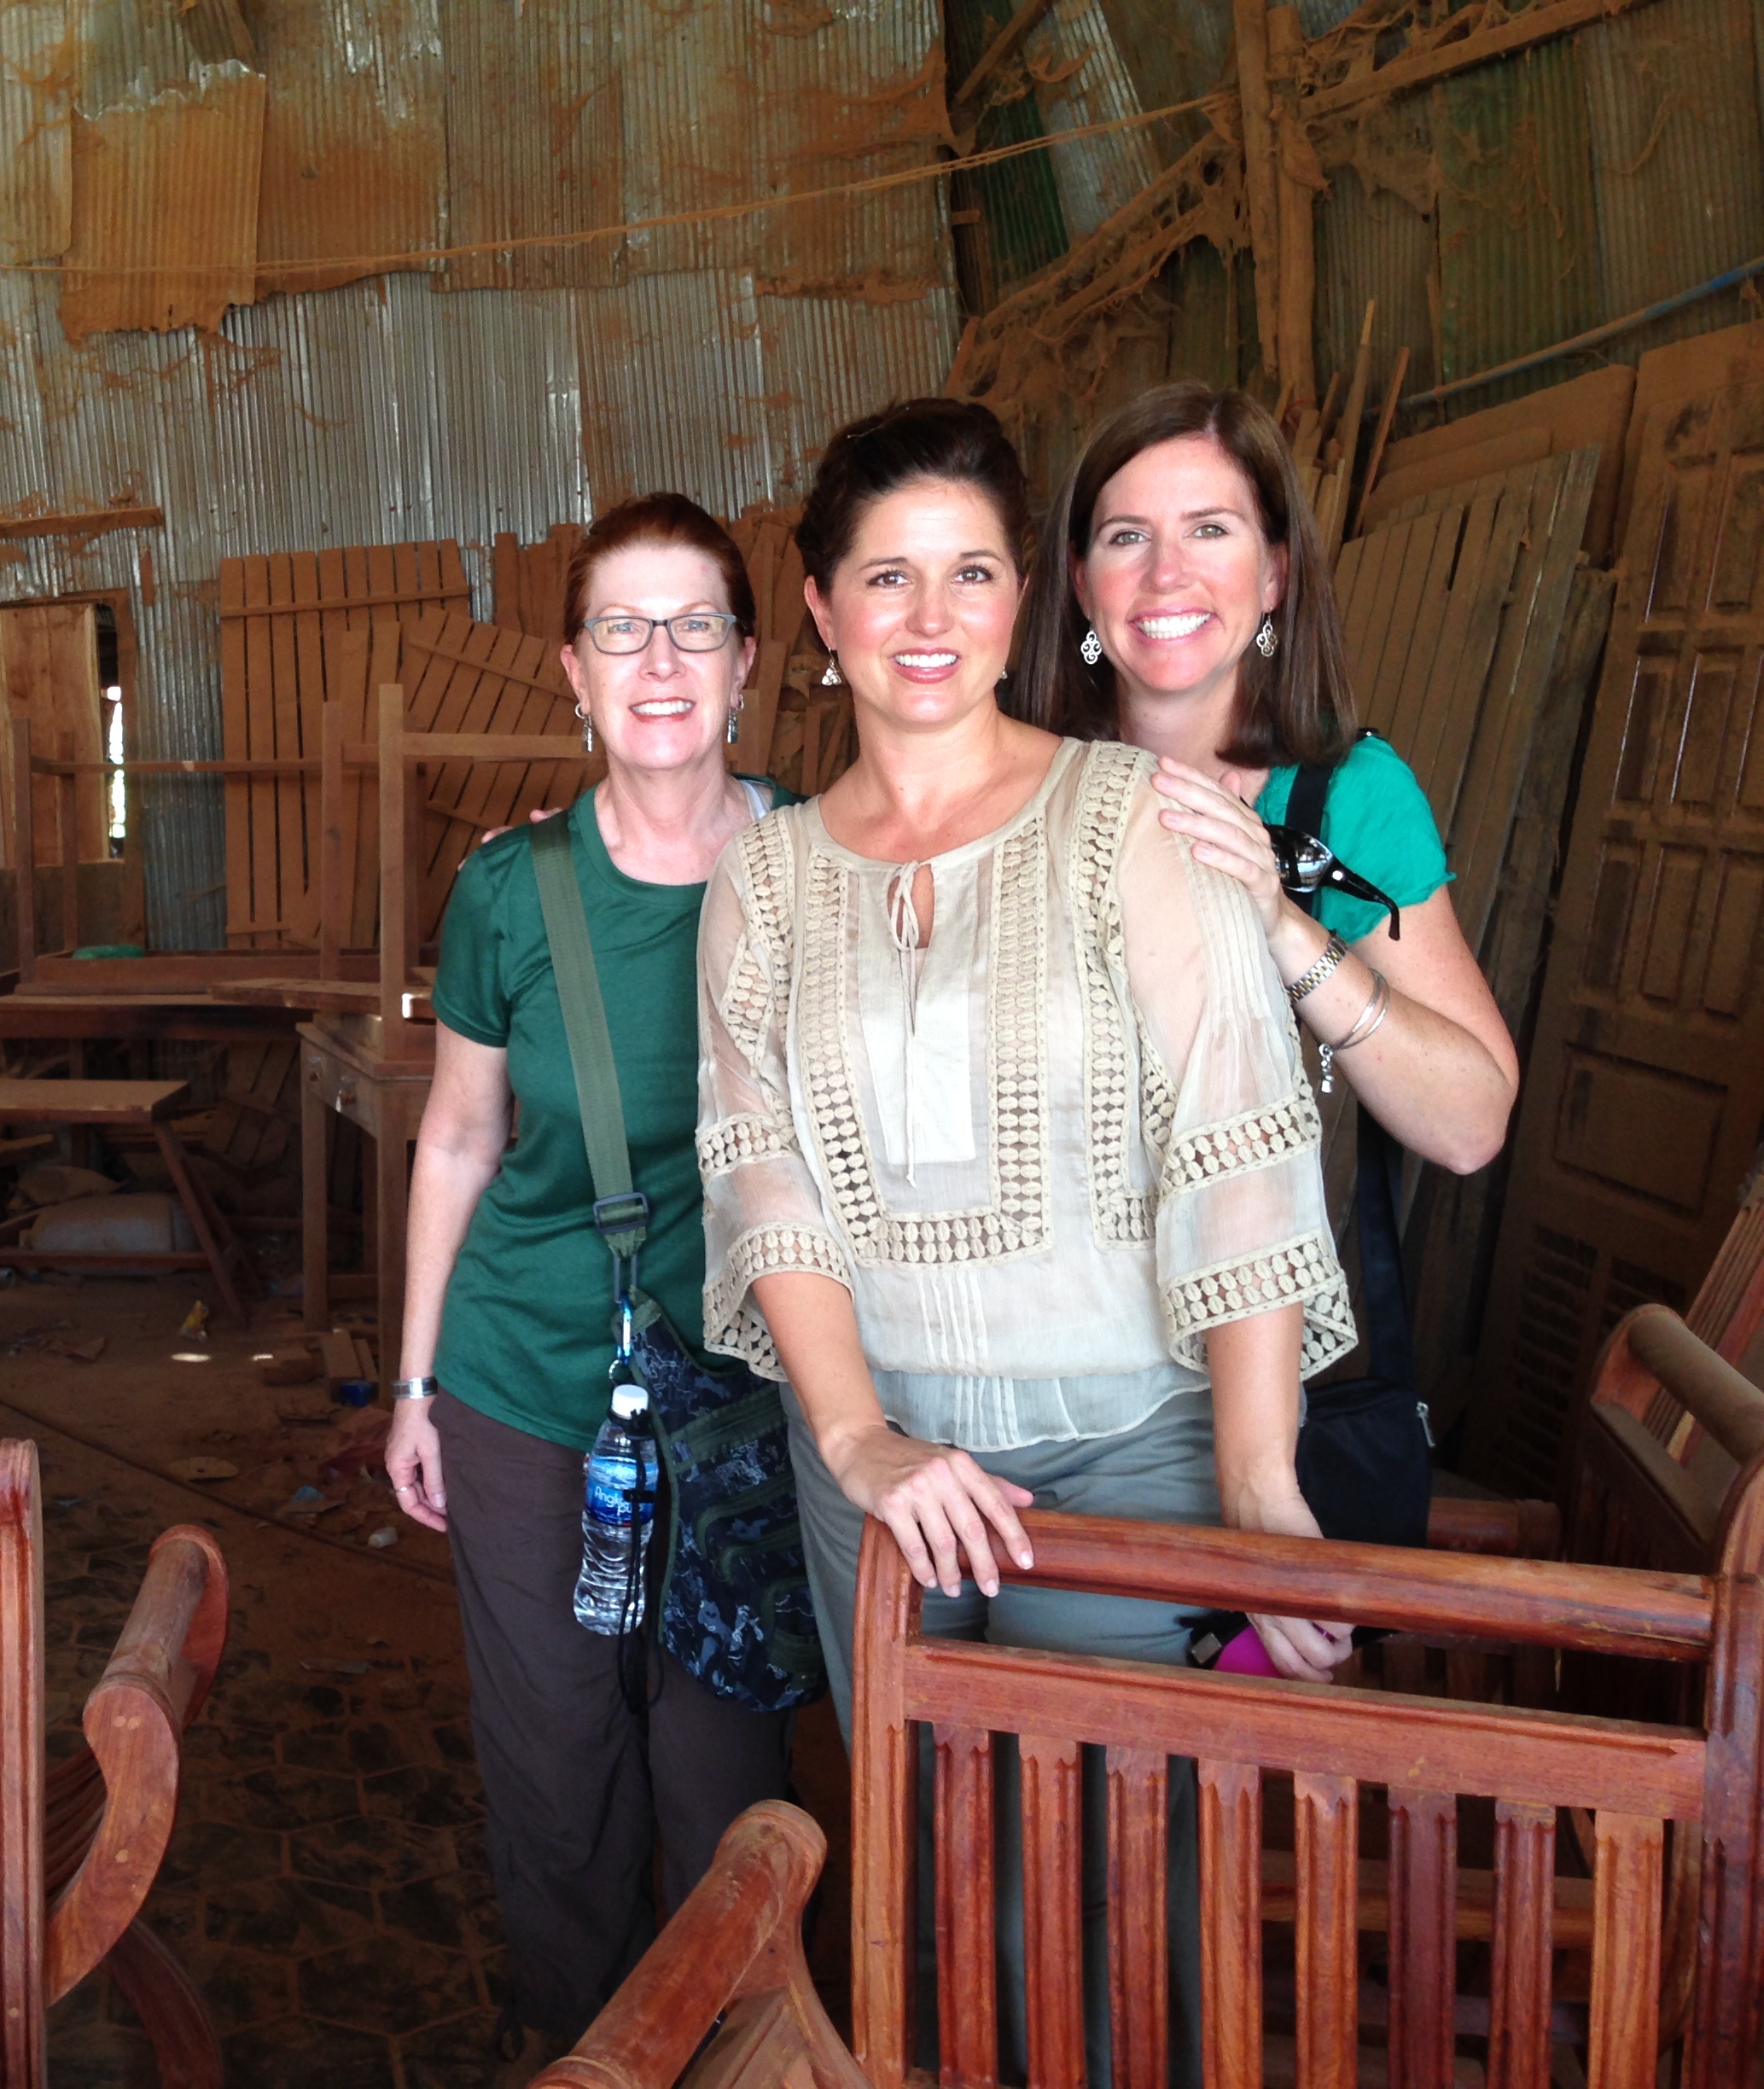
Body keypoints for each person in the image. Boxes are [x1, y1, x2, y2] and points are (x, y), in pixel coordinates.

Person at [695, 398, 1354, 2074]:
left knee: (1121, 1906)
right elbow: (764, 1174)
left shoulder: (1132, 816)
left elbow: (1238, 1144)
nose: (929, 618)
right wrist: (859, 1437)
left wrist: (1259, 1486)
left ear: (1028, 599)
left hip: (1128, 1454)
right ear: (822, 610)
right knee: (928, 1895)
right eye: (885, 577)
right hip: (875, 1475)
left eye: (971, 572)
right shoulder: (763, 881)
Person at [381, 492, 792, 2062]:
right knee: (556, 1769)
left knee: (723, 1777)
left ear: (746, 660)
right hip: (527, 1388)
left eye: (695, 625)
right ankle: (583, 2055)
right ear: (572, 668)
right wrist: (414, 1382)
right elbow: (455, 1139)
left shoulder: (818, 865)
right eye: (621, 628)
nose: (659, 660)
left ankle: (726, 2055)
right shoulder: (508, 891)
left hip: (748, 1404)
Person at [1015, 380, 1518, 1186]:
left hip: (1238, 1250)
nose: (1166, 573)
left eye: (1210, 529)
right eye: (1126, 537)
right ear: (1080, 583)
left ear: (1275, 574)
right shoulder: (1016, 779)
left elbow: (1472, 1124)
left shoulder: (1344, 799)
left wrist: (1283, 926)